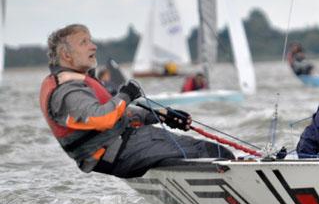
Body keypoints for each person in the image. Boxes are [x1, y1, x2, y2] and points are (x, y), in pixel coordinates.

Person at [39, 24, 234, 179]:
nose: (93, 46)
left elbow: (119, 115)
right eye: (84, 42)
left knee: (214, 151)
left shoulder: (76, 82)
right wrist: (126, 95)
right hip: (120, 150)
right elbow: (103, 119)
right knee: (216, 152)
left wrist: (160, 115)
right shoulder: (68, 91)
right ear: (66, 55)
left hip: (123, 145)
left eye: (90, 40)